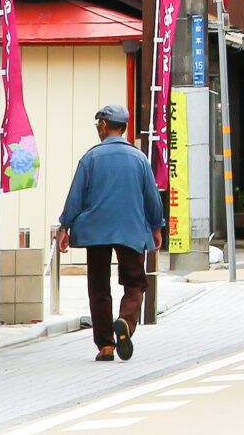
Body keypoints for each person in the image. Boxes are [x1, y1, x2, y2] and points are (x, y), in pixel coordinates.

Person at [54, 102, 166, 362]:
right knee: (135, 282)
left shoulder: (91, 158)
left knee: (98, 286)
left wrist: (64, 227)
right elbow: (152, 198)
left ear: (104, 126)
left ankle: (105, 345)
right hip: (131, 229)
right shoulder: (139, 159)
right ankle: (126, 322)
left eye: (98, 125)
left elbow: (76, 197)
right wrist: (156, 226)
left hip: (96, 231)